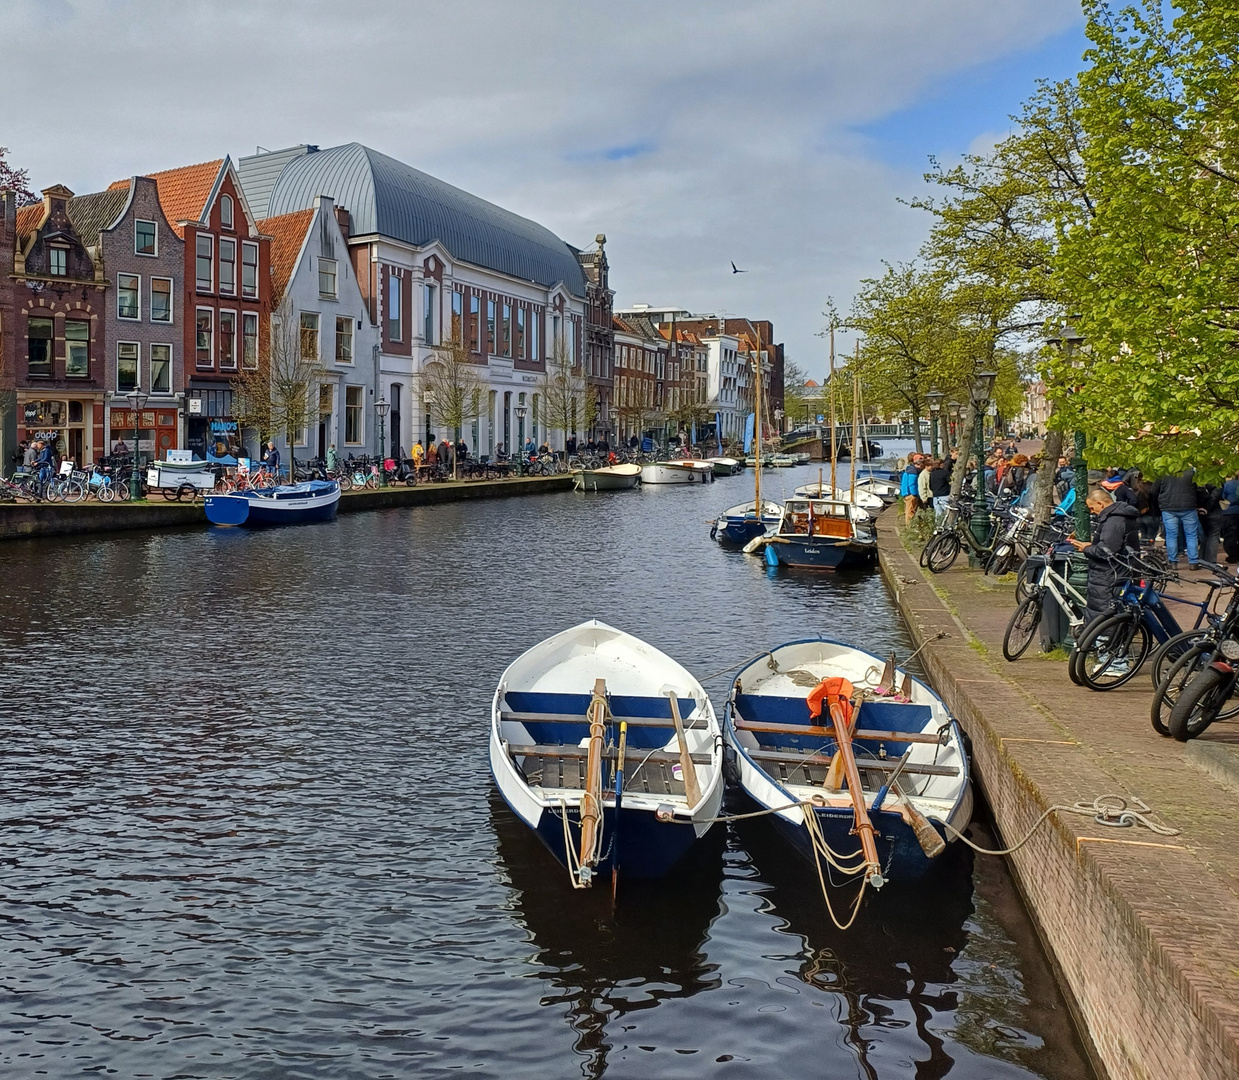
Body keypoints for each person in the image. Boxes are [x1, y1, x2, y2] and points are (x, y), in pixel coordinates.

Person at [1069, 486, 1141, 628]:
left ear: (1100, 504)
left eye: (1091, 508)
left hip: (1110, 576)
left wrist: (1087, 548)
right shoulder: (1120, 517)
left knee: (1105, 617)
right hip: (1117, 573)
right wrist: (1091, 545)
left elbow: (1106, 551)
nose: (1092, 512)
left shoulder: (1113, 521)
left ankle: (1105, 646)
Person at [1153, 467, 1200, 567]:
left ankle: (1173, 561)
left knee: (1171, 536)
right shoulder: (1191, 472)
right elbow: (1199, 489)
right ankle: (1193, 562)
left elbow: (1153, 490)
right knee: (1191, 535)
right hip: (1188, 506)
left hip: (1168, 507)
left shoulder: (1163, 472)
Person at [1221, 470, 1239, 564]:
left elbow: (1222, 497)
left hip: (1229, 513)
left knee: (1229, 536)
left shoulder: (1228, 484)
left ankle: (1232, 556)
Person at [900, 455, 922, 524]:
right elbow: (912, 484)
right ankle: (909, 528)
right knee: (910, 512)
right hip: (911, 494)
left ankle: (910, 526)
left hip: (907, 493)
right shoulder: (913, 472)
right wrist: (915, 494)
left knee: (910, 511)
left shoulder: (909, 469)